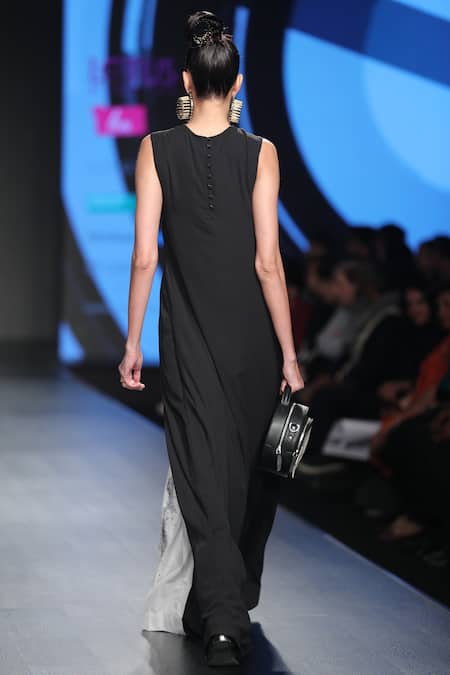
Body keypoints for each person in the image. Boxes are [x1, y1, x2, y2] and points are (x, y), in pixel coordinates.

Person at [117, 10, 303, 668]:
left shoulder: (155, 148)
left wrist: (132, 341)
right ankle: (226, 615)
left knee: (209, 478)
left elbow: (145, 256)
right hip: (252, 340)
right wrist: (288, 353)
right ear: (240, 83)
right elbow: (268, 262)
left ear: (188, 80)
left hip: (189, 338)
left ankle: (213, 610)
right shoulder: (261, 153)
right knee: (235, 481)